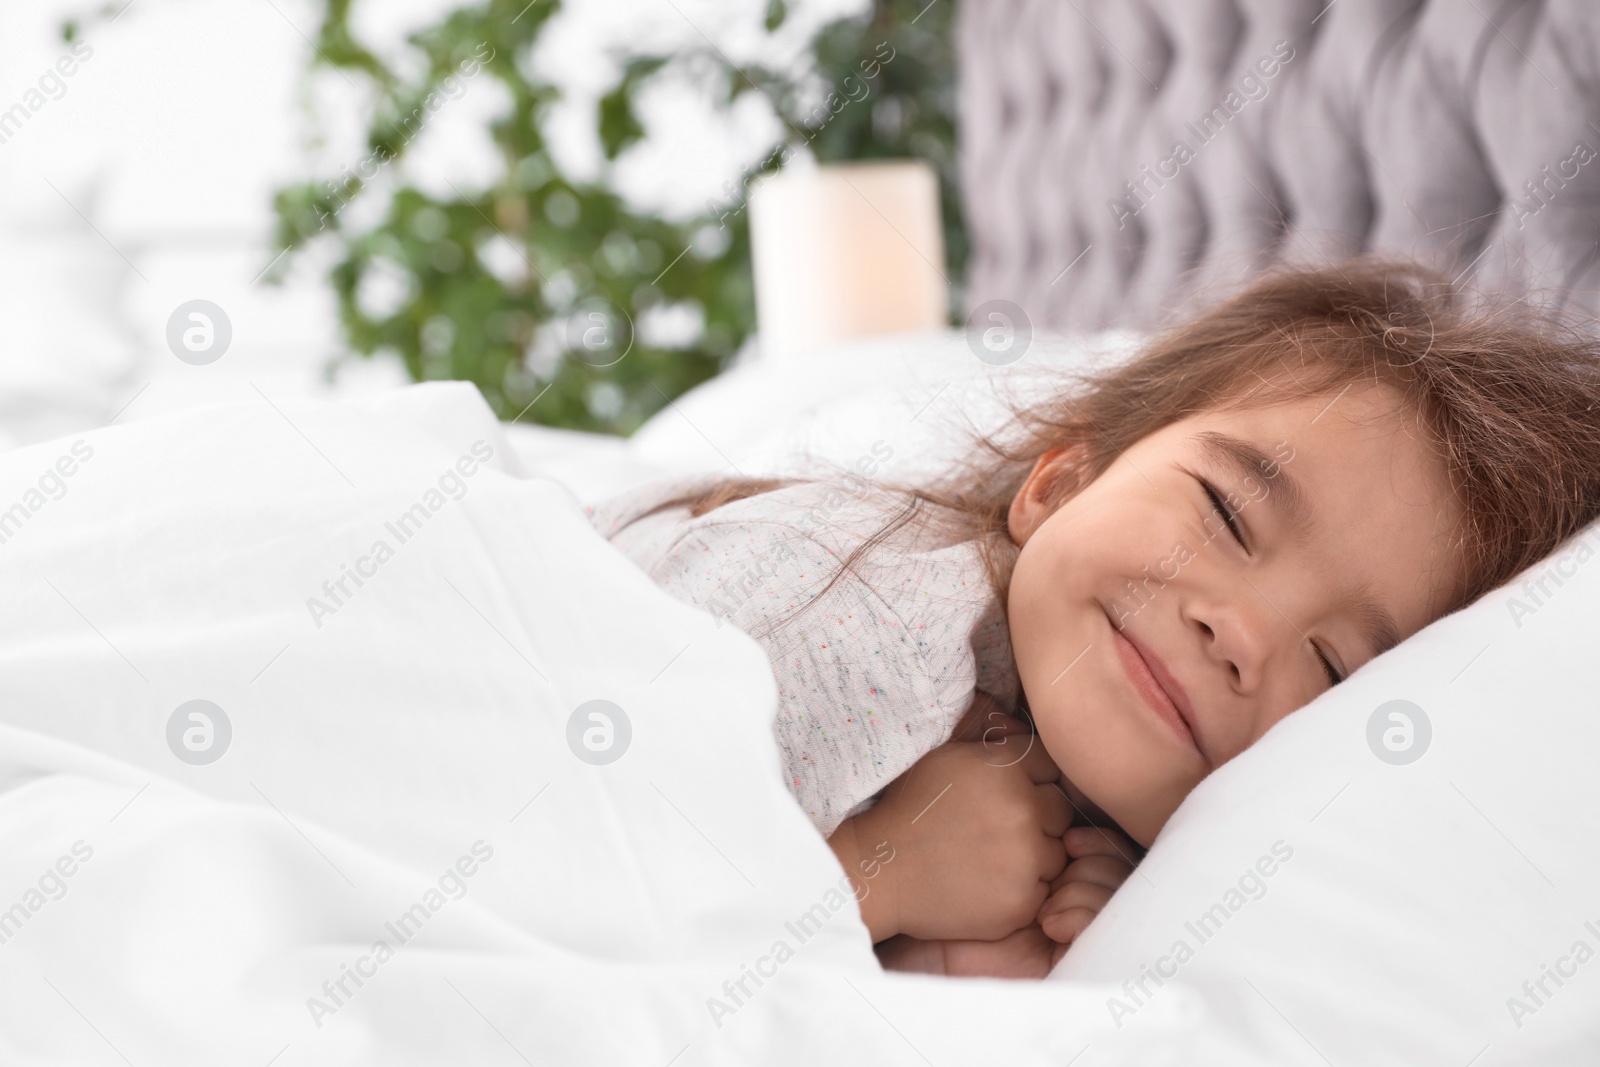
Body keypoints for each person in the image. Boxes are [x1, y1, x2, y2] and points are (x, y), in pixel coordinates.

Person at [587, 258, 1600, 977]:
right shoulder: (869, 618)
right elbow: (581, 891)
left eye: (1334, 667)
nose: (1236, 631)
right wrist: (878, 870)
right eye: (1226, 512)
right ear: (1061, 481)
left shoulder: (1176, 864)